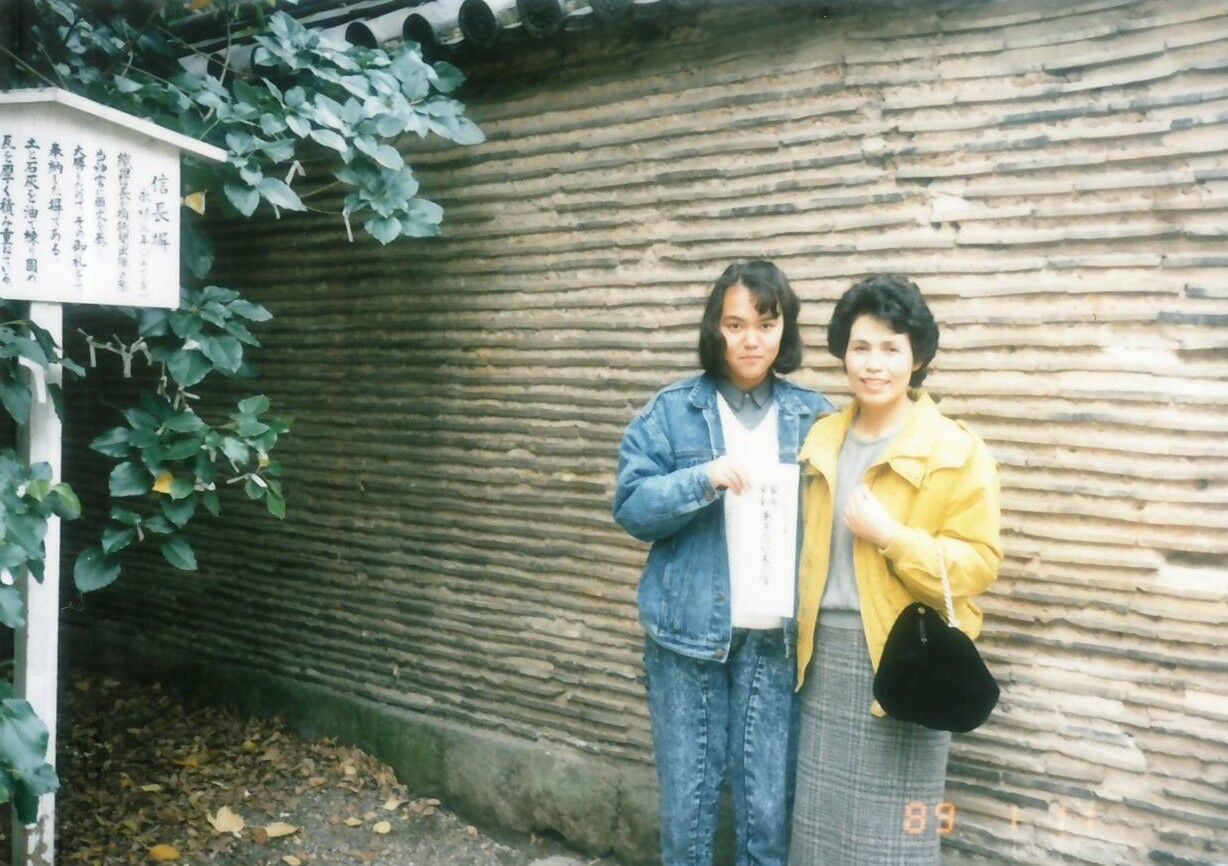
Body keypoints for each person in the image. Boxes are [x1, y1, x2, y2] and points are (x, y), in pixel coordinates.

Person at [613, 261, 832, 866]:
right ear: (715, 328)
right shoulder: (673, 411)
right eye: (735, 325)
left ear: (785, 329)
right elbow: (631, 507)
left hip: (775, 641)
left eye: (766, 324)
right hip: (686, 638)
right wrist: (701, 478)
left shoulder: (814, 417)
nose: (751, 340)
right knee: (689, 808)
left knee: (767, 810)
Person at [789, 274, 1002, 866]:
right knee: (819, 832)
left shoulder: (956, 450)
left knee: (893, 842)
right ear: (843, 352)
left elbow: (978, 564)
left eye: (891, 348)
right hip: (822, 658)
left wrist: (892, 538)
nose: (873, 364)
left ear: (919, 357)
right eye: (860, 346)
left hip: (904, 658)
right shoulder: (822, 440)